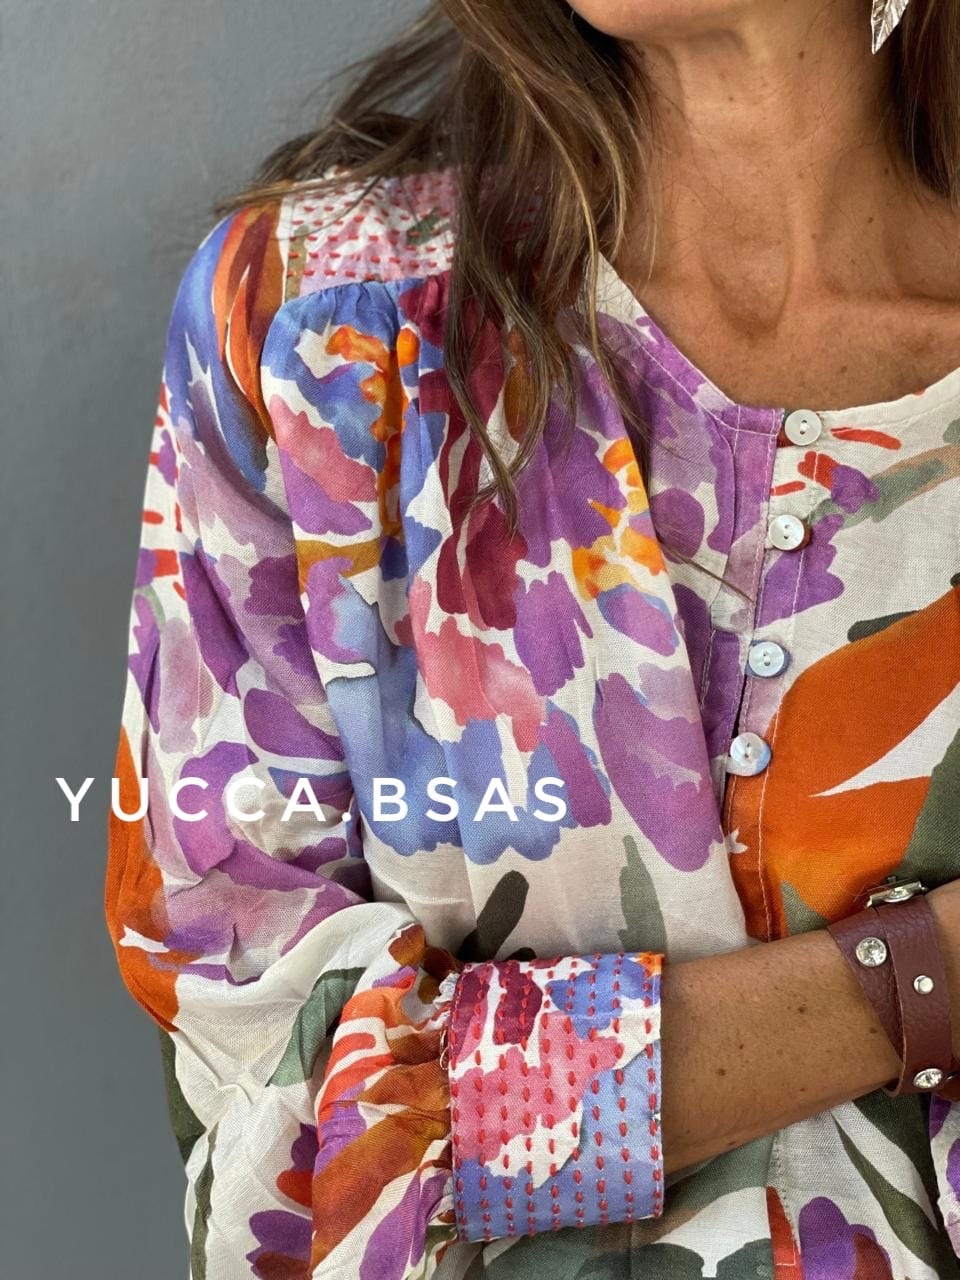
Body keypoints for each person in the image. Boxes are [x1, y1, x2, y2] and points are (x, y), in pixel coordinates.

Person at [104, 0, 960, 1275]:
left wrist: (498, 1085)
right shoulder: (319, 325)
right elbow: (288, 1116)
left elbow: (395, 1117)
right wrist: (926, 976)